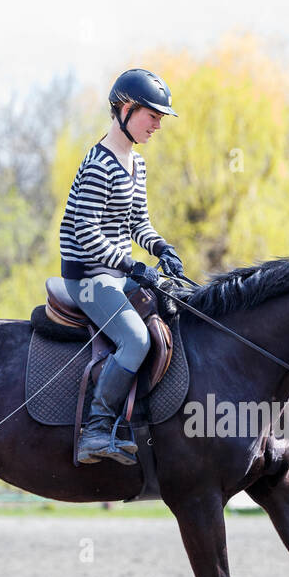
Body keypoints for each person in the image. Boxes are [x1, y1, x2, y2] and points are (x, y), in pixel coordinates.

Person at [58, 68, 187, 466]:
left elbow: (137, 223)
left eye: (161, 118)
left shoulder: (137, 165)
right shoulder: (100, 164)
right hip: (90, 278)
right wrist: (132, 265)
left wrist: (161, 247)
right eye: (153, 116)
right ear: (126, 109)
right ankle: (95, 429)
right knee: (135, 339)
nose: (157, 125)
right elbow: (87, 232)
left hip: (117, 274)